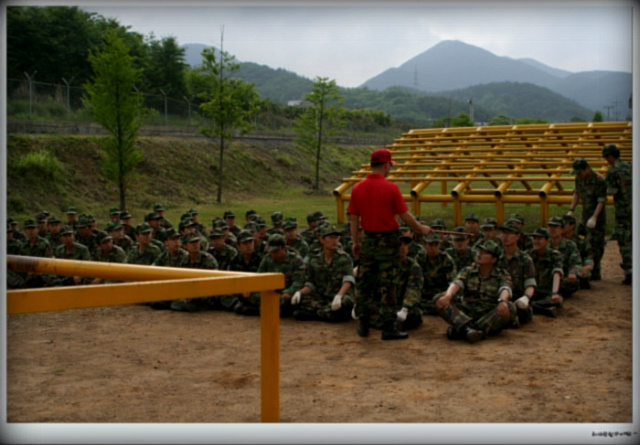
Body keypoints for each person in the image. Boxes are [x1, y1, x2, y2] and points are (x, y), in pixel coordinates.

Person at [348, 148, 432, 340]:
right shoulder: (391, 188)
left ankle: (363, 323)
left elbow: (354, 219)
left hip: (368, 238)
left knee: (365, 282)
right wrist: (420, 228)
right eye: (389, 166)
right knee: (389, 284)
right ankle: (388, 327)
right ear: (386, 165)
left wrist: (355, 242)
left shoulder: (357, 188)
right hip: (387, 240)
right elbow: (404, 215)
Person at [434, 240, 516, 343]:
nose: (479, 254)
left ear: (494, 259)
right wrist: (448, 296)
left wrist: (502, 301)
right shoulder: (468, 271)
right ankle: (469, 329)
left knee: (510, 307)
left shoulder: (502, 274)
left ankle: (463, 329)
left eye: (485, 252)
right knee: (439, 298)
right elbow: (457, 283)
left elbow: (505, 288)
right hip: (467, 311)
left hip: (487, 314)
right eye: (479, 250)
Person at [291, 224, 355, 322]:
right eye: (331, 237)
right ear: (321, 240)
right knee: (303, 300)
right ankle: (326, 314)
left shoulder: (344, 258)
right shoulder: (315, 260)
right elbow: (311, 283)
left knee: (345, 302)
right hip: (322, 297)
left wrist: (339, 296)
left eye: (336, 238)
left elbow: (348, 280)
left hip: (339, 294)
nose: (334, 241)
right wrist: (300, 292)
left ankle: (314, 315)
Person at [568, 158, 607, 281]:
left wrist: (594, 217)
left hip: (597, 216)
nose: (578, 175)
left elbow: (601, 200)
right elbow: (577, 193)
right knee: (583, 241)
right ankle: (584, 268)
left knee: (596, 243)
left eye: (580, 172)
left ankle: (596, 271)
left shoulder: (599, 180)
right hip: (585, 214)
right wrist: (571, 210)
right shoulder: (579, 178)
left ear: (587, 169)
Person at [602, 143, 632, 285]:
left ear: (610, 156)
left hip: (623, 210)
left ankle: (630, 270)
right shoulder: (630, 166)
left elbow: (612, 190)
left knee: (624, 240)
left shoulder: (613, 170)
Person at [497, 220, 537, 326]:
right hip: (499, 298)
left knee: (520, 309)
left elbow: (530, 283)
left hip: (517, 300)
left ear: (518, 236)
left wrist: (526, 298)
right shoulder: (495, 257)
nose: (505, 236)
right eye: (503, 233)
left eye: (509, 233)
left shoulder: (525, 259)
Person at [256, 234, 305, 318]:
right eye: (271, 251)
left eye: (276, 251)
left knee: (292, 299)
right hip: (270, 292)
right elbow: (259, 276)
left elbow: (299, 280)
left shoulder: (296, 260)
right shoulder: (267, 259)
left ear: (284, 248)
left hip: (286, 293)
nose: (273, 254)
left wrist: (289, 291)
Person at [170, 233, 219, 312]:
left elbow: (213, 282)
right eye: (192, 243)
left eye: (197, 242)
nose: (195, 245)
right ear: (185, 246)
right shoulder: (185, 261)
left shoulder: (208, 259)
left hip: (206, 293)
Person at [527, 227, 564, 318]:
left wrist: (555, 292)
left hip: (547, 293)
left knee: (557, 300)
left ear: (547, 241)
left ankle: (535, 307)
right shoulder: (528, 255)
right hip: (532, 292)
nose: (536, 241)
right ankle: (544, 310)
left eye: (539, 239)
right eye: (534, 239)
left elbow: (557, 272)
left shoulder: (555, 255)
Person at [418, 233, 457, 316]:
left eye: (436, 245)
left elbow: (453, 280)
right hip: (424, 292)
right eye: (430, 245)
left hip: (441, 292)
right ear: (424, 245)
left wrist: (447, 293)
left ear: (440, 245)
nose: (433, 248)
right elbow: (414, 279)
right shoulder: (419, 258)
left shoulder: (446, 259)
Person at [150, 228, 189, 310]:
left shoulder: (185, 256)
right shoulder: (164, 256)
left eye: (178, 239)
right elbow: (152, 270)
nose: (177, 242)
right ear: (166, 242)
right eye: (173, 239)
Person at [394, 234, 426, 330]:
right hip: (386, 303)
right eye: (399, 245)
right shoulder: (385, 264)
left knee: (415, 315)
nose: (403, 248)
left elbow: (414, 288)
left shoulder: (413, 266)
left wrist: (405, 307)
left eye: (405, 245)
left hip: (403, 304)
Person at [230, 230, 264, 316]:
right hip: (240, 290)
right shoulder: (235, 260)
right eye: (245, 243)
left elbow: (263, 279)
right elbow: (231, 279)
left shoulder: (261, 259)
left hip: (255, 290)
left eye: (250, 242)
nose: (248, 245)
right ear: (238, 246)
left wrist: (251, 288)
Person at [547, 216, 582, 298]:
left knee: (574, 283)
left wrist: (573, 272)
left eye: (555, 227)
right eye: (550, 226)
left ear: (562, 229)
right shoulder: (544, 243)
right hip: (545, 277)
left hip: (563, 277)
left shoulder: (570, 245)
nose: (552, 229)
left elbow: (576, 262)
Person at [562, 213, 594, 289]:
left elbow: (589, 259)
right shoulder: (557, 240)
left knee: (586, 274)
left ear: (572, 226)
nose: (561, 227)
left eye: (564, 224)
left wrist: (585, 269)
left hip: (576, 268)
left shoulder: (581, 242)